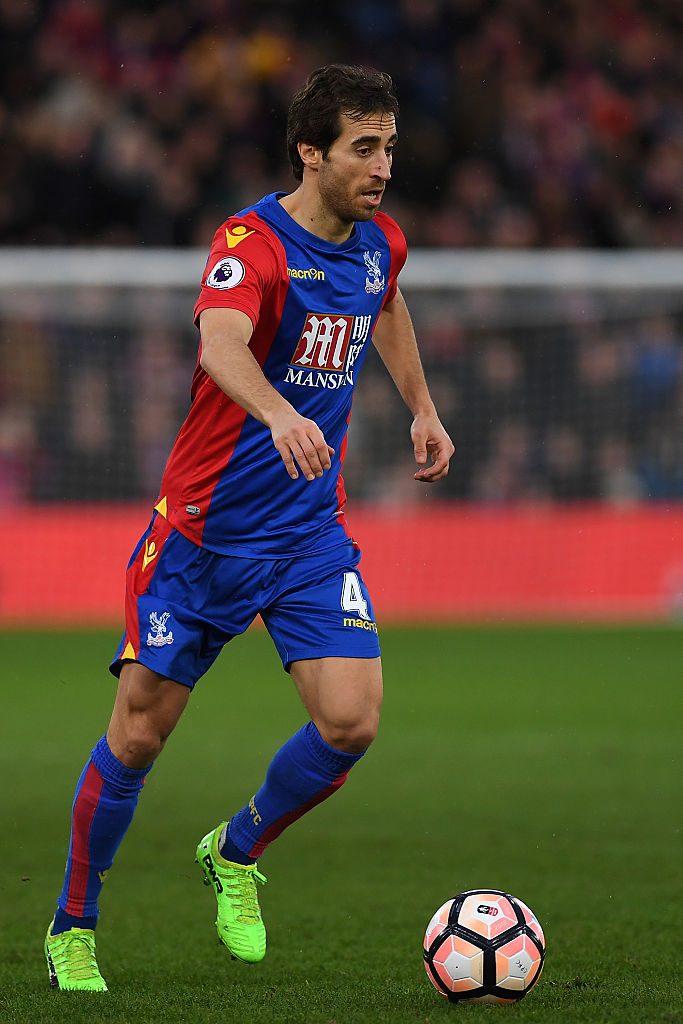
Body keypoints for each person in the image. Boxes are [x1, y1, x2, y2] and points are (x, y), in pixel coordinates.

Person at [44, 63, 455, 992]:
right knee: (140, 737)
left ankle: (233, 851)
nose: (382, 165)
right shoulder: (251, 243)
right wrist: (275, 412)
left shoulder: (377, 242)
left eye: (389, 146)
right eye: (363, 147)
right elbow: (220, 342)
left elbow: (385, 301)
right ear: (311, 152)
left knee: (350, 722)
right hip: (198, 539)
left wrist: (421, 407)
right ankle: (74, 922)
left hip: (307, 537)